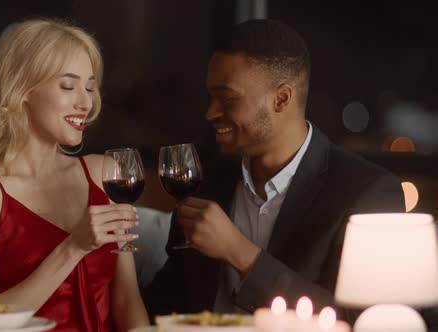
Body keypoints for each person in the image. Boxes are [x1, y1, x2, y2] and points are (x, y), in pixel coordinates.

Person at [143, 19, 405, 322]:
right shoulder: (206, 182)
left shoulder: (367, 192)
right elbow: (166, 301)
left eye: (227, 99)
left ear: (281, 98)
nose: (211, 112)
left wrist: (240, 253)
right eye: (211, 97)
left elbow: (360, 320)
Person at [0, 19, 149, 332]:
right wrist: (74, 247)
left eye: (90, 87)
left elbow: (126, 300)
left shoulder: (103, 172)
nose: (85, 102)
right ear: (22, 90)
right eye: (68, 86)